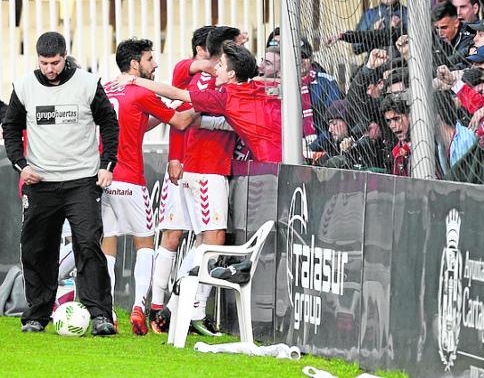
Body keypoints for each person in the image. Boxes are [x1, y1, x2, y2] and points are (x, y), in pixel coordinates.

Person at [2, 31, 119, 335]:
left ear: (65, 57)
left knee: (89, 245)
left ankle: (101, 316)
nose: (50, 68)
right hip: (40, 183)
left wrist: (107, 165)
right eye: (44, 63)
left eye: (55, 62)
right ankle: (37, 315)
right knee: (37, 249)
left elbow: (109, 123)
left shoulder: (87, 84)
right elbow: (11, 127)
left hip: (82, 181)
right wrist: (21, 165)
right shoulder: (25, 86)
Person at [151, 25, 242, 335]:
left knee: (205, 239)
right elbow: (183, 116)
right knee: (207, 238)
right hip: (203, 167)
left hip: (201, 167)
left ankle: (175, 307)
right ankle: (188, 308)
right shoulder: (209, 80)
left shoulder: (216, 77)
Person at [102, 38, 193, 335]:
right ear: (134, 64)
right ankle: (139, 306)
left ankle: (106, 312)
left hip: (103, 179)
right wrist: (198, 107)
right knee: (145, 243)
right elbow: (179, 122)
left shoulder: (106, 89)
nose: (155, 64)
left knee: (108, 246)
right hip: (129, 178)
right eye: (150, 59)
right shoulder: (140, 91)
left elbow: (138, 124)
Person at [116, 41, 281, 162]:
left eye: (220, 65)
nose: (214, 68)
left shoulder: (225, 97)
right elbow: (225, 123)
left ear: (231, 74)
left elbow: (177, 93)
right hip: (288, 156)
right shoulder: (256, 86)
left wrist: (133, 80)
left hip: (272, 163)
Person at [328, 0, 407, 55]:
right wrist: (373, 32)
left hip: (403, 67)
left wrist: (400, 30)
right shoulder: (369, 15)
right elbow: (356, 48)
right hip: (374, 66)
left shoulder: (408, 14)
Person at [380, 94, 411, 176]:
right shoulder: (395, 151)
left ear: (409, 116)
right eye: (389, 121)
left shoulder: (427, 145)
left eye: (396, 119)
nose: (393, 125)